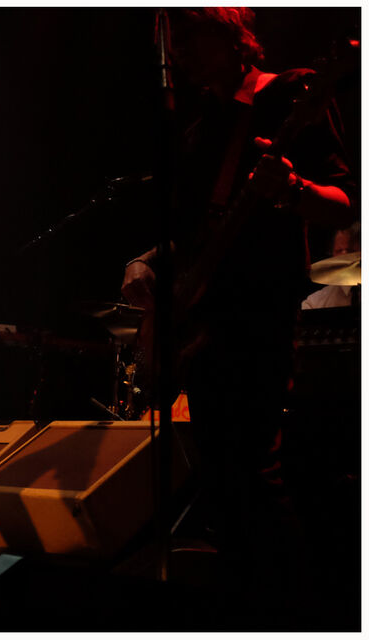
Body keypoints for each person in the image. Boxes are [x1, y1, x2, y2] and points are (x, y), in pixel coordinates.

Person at [120, 7, 354, 613]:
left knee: (253, 471)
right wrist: (146, 262)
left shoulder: (291, 92)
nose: (180, 51)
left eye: (189, 35)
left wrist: (294, 190)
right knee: (219, 480)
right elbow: (189, 237)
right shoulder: (200, 128)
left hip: (260, 313)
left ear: (230, 35)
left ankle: (297, 609)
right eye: (174, 40)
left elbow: (344, 202)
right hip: (203, 323)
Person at [301, 223, 360, 309]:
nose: (345, 256)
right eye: (339, 251)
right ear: (332, 254)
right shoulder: (313, 304)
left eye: (351, 251)